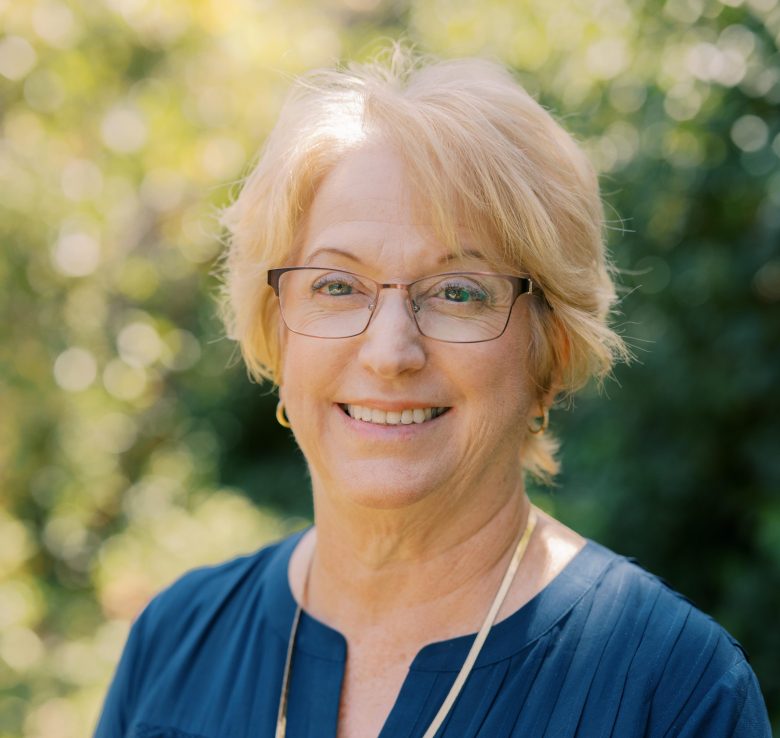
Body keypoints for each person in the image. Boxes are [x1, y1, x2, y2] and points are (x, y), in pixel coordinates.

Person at [93, 48, 772, 737]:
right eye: (336, 285)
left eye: (457, 292)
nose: (390, 354)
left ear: (552, 349)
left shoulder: (676, 693)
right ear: (276, 332)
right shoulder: (174, 645)